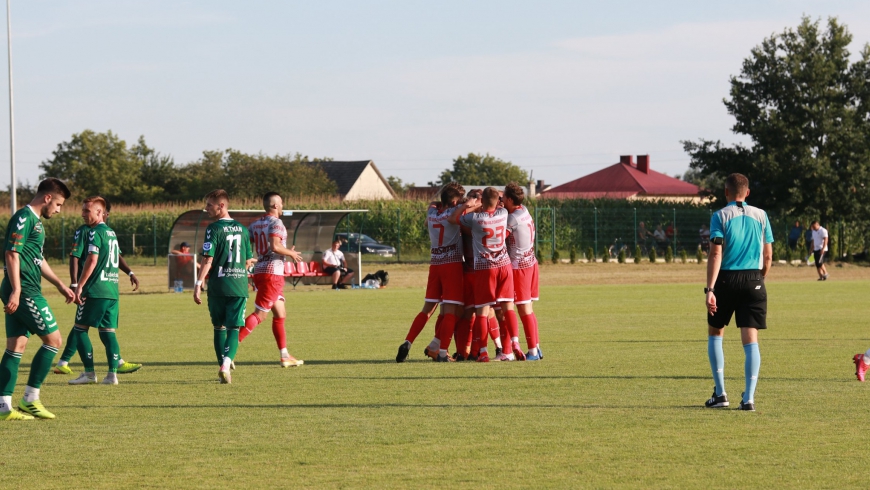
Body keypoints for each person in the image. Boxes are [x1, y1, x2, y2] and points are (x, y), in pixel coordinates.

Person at [0, 178, 74, 420]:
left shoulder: (38, 225)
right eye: (60, 204)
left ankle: (3, 406)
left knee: (16, 346)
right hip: (25, 291)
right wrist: (17, 290)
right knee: (53, 340)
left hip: (24, 289)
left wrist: (61, 284)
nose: (59, 210)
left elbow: (37, 260)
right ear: (48, 198)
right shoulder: (23, 218)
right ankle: (30, 398)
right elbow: (12, 254)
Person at [704, 173, 773, 412]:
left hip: (727, 279)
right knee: (750, 339)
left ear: (726, 192)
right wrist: (759, 278)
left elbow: (715, 254)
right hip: (754, 278)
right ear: (748, 192)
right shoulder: (762, 215)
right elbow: (768, 256)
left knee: (716, 332)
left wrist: (710, 289)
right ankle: (749, 399)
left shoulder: (719, 216)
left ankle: (721, 393)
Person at [54, 199, 142, 376]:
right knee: (95, 328)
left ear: (101, 213)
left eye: (87, 211)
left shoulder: (99, 232)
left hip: (95, 287)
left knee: (81, 327)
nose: (83, 214)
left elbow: (103, 258)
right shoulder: (90, 231)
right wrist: (74, 282)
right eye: (84, 211)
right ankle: (112, 369)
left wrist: (130, 272)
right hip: (107, 289)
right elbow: (75, 255)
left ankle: (88, 371)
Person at [396, 182, 465, 363]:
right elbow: (459, 212)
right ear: (455, 201)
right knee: (450, 309)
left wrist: (441, 202)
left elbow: (433, 205)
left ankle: (408, 342)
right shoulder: (453, 213)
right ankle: (442, 353)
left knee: (427, 309)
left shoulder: (433, 214)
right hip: (451, 265)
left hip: (435, 265)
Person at [193, 189, 254, 384]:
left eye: (209, 205)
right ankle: (226, 364)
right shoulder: (243, 230)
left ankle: (223, 369)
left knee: (218, 328)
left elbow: (208, 258)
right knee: (234, 327)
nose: (206, 208)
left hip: (218, 285)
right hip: (238, 286)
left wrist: (198, 282)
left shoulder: (213, 229)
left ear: (221, 206)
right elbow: (247, 260)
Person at [240, 192, 305, 368]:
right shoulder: (276, 223)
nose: (283, 206)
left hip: (261, 270)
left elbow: (246, 242)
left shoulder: (255, 224)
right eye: (282, 203)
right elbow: (275, 246)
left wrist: (249, 257)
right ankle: (229, 349)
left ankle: (285, 355)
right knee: (261, 314)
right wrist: (290, 252)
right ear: (275, 205)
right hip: (272, 273)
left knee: (280, 313)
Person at [452, 186, 516, 363]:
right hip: (494, 267)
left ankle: (479, 351)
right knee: (496, 311)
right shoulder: (501, 214)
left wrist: (470, 205)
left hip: (478, 269)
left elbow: (456, 218)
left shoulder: (473, 219)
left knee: (477, 312)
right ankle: (508, 346)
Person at [503, 183, 542, 360]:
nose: (502, 200)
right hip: (531, 262)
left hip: (520, 267)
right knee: (529, 309)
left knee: (523, 309)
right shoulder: (523, 210)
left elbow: (498, 236)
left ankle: (532, 351)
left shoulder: (512, 219)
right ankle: (537, 347)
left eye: (503, 197)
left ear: (510, 199)